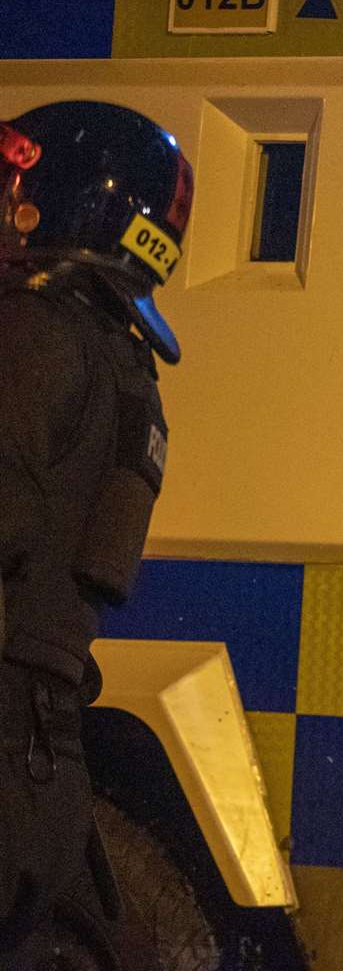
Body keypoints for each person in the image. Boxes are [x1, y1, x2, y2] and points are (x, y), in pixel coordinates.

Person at [0, 101, 191, 969]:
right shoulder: (127, 371)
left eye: (21, 175)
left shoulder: (31, 331)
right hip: (46, 754)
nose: (9, 193)